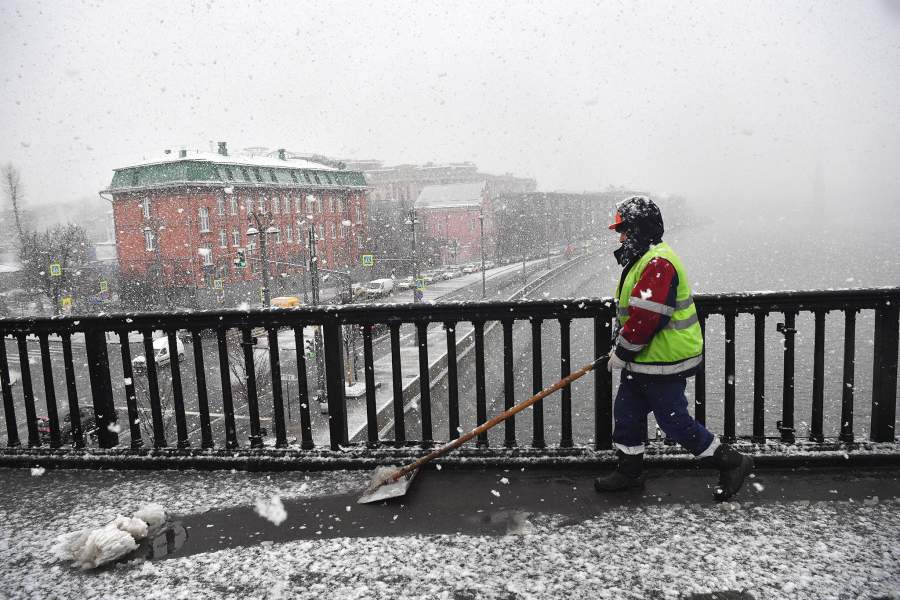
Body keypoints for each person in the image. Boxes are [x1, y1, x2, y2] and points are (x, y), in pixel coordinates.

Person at [594, 196, 753, 501]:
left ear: (639, 229)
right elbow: (637, 315)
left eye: (624, 229)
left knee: (674, 422)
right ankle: (629, 471)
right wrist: (625, 352)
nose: (621, 236)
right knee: (627, 415)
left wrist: (622, 352)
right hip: (643, 362)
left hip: (662, 362)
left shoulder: (657, 262)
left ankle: (732, 462)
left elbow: (645, 318)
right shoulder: (645, 258)